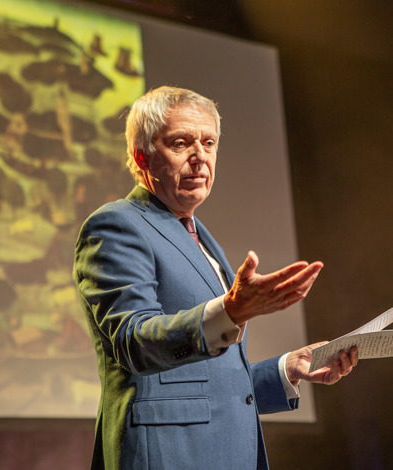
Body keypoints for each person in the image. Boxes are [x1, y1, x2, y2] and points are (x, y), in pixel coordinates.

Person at [73, 86, 357, 470]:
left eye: (209, 143)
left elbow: (207, 382)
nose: (200, 157)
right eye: (181, 143)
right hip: (169, 455)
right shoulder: (117, 225)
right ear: (142, 155)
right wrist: (230, 310)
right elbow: (133, 342)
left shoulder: (200, 237)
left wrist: (286, 369)